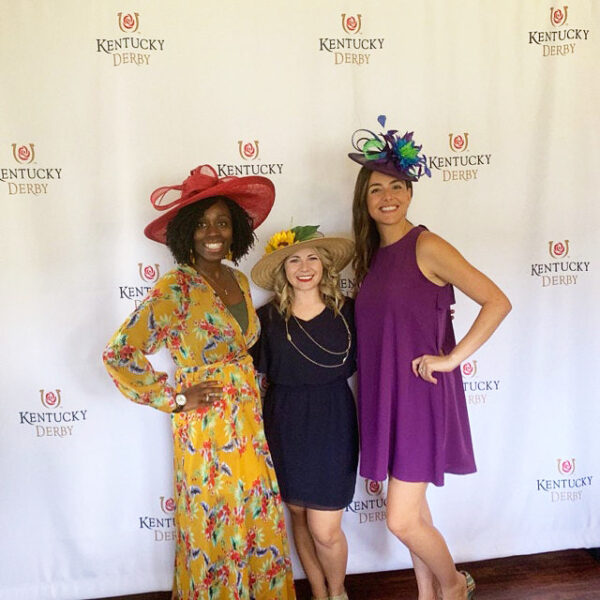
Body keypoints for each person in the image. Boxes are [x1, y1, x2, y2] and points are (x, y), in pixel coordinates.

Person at [102, 165, 296, 600]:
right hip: (206, 431)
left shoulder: (241, 281)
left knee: (254, 517)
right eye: (203, 223)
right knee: (216, 526)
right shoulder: (176, 288)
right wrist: (173, 398)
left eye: (222, 222)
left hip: (248, 422)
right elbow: (119, 354)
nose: (213, 232)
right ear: (186, 232)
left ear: (235, 231)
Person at [348, 117, 511, 600]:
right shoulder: (372, 255)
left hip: (419, 396)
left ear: (411, 191)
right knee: (414, 514)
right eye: (376, 189)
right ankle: (428, 593)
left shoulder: (428, 245)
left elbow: (496, 300)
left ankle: (453, 584)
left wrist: (451, 359)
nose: (387, 197)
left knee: (399, 517)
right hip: (385, 397)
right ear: (364, 199)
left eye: (396, 186)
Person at [249, 226, 358, 600]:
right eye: (293, 259)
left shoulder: (351, 312)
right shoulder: (264, 319)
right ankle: (317, 591)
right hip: (284, 421)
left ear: (326, 265)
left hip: (334, 422)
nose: (304, 266)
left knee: (326, 529)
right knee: (296, 513)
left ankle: (338, 593)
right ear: (283, 270)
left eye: (312, 257)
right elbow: (241, 369)